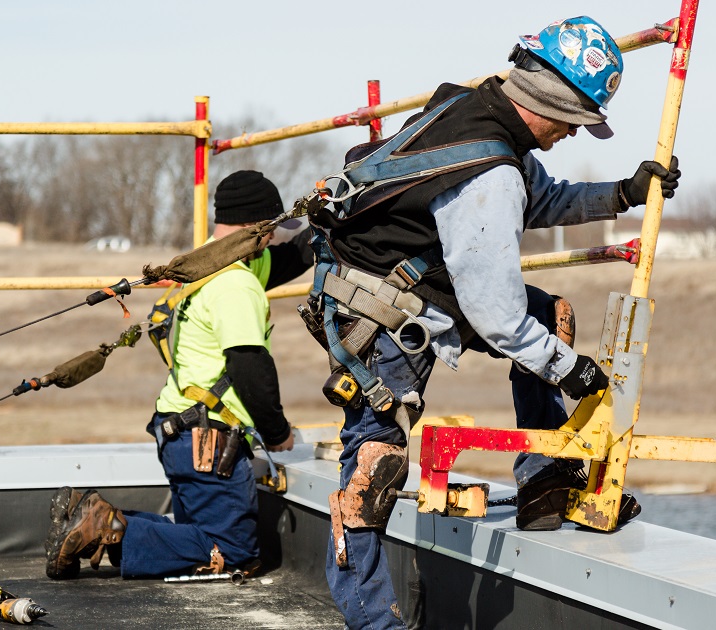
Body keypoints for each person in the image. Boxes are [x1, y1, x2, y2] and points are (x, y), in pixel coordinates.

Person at [310, 17, 681, 628]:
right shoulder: (491, 174)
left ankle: (541, 476)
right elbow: (497, 316)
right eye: (574, 121)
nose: (571, 134)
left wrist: (622, 193)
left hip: (416, 287)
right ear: (551, 102)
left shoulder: (474, 111)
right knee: (374, 466)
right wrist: (571, 371)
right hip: (379, 313)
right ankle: (374, 621)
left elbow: (544, 200)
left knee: (549, 315)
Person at [44, 170, 313, 580]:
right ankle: (100, 527)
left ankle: (94, 520)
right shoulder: (236, 286)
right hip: (208, 442)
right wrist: (277, 433)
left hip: (180, 431)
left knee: (196, 535)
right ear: (256, 226)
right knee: (232, 551)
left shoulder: (204, 264)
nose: (274, 237)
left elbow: (289, 259)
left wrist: (334, 220)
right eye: (272, 228)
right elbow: (249, 367)